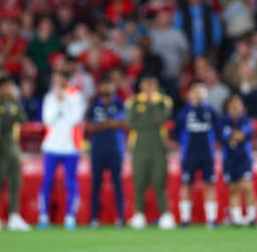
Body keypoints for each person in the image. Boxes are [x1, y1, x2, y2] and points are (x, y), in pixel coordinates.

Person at [126, 75, 175, 230]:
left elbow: (160, 119)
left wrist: (151, 106)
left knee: (159, 180)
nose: (148, 88)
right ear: (141, 85)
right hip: (139, 146)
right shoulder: (132, 101)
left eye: (151, 84)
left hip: (158, 146)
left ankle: (165, 215)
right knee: (139, 181)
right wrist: (150, 119)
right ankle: (139, 214)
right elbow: (132, 123)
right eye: (146, 84)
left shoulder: (164, 101)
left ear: (156, 85)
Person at [39, 70, 86, 230]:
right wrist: (58, 102)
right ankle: (43, 216)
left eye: (59, 80)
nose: (57, 83)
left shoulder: (76, 96)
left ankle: (70, 217)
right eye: (55, 80)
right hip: (51, 146)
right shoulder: (49, 97)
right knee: (47, 181)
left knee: (71, 183)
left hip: (71, 147)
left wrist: (63, 101)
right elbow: (48, 120)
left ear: (66, 80)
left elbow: (76, 119)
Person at [0, 77, 31, 232]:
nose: (10, 90)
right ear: (0, 88)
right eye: (7, 87)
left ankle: (14, 216)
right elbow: (1, 123)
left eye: (11, 86)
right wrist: (10, 115)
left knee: (15, 183)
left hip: (14, 147)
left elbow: (23, 119)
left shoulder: (14, 102)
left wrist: (15, 108)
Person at [176, 81, 219, 228]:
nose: (198, 93)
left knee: (209, 185)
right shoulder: (184, 112)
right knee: (187, 184)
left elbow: (218, 130)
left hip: (207, 154)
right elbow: (177, 132)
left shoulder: (211, 111)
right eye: (195, 90)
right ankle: (185, 219)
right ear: (189, 94)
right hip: (189, 154)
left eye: (201, 90)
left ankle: (212, 220)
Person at [85, 73, 126, 228]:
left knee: (117, 183)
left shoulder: (120, 104)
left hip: (116, 149)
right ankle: (94, 218)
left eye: (110, 85)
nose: (107, 88)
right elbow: (88, 128)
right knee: (96, 184)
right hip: (97, 150)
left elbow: (124, 123)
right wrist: (110, 123)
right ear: (100, 87)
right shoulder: (94, 106)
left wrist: (100, 125)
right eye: (104, 85)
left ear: (114, 87)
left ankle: (121, 218)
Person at [221, 94, 257, 226]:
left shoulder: (247, 120)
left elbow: (242, 135)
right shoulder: (223, 121)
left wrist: (234, 135)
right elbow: (225, 136)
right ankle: (236, 218)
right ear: (228, 106)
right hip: (229, 159)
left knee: (247, 186)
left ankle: (251, 217)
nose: (236, 106)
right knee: (233, 188)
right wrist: (236, 135)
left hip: (244, 158)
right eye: (233, 103)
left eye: (238, 103)